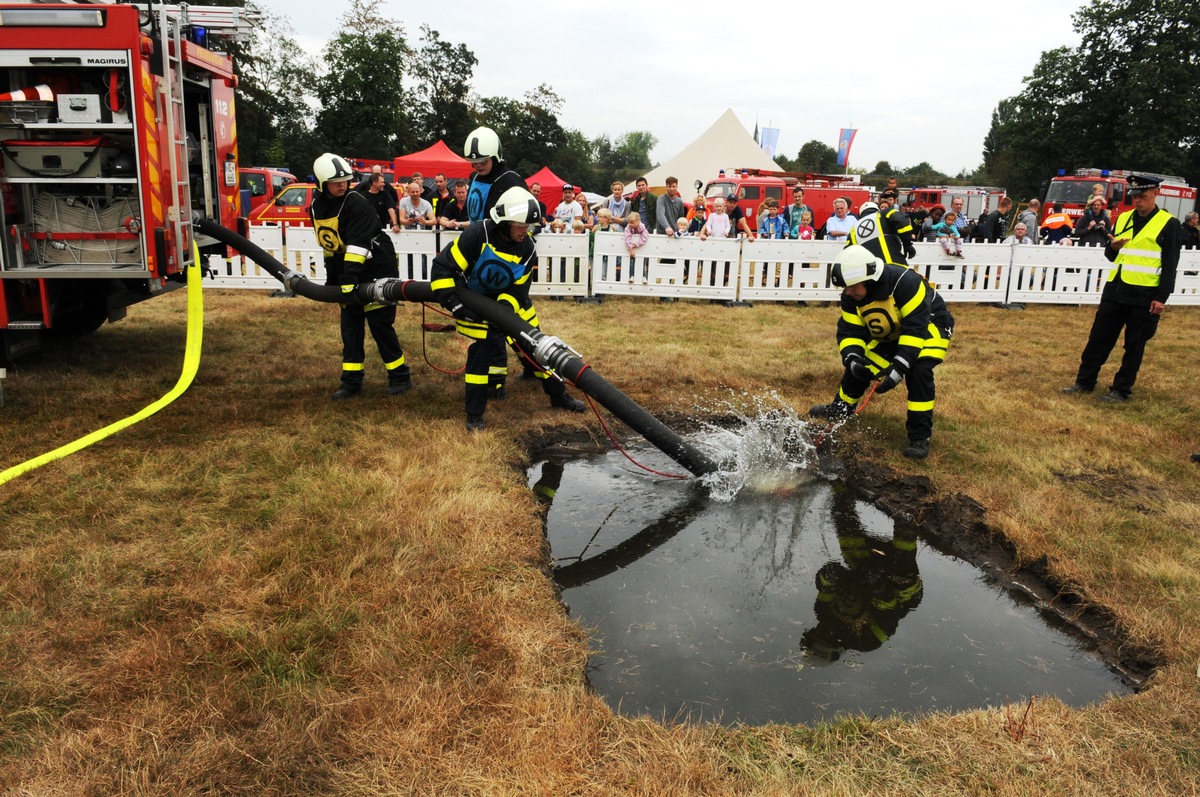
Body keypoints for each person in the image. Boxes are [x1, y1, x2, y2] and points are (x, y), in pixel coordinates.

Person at [429, 186, 585, 430]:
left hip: (513, 306)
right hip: (476, 305)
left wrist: (503, 311)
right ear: (504, 222)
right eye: (521, 226)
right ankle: (475, 416)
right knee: (479, 360)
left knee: (539, 351)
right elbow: (442, 268)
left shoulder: (528, 249)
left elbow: (519, 291)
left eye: (529, 227)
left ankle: (559, 396)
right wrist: (454, 303)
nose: (526, 232)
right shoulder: (477, 235)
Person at [809, 245, 954, 459]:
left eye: (851, 287)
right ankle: (840, 409)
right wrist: (852, 358)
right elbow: (850, 330)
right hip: (893, 328)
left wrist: (899, 367)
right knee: (862, 365)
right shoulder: (851, 295)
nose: (847, 292)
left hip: (930, 324)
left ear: (868, 278)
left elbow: (915, 329)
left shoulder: (906, 283)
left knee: (919, 370)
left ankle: (919, 436)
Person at [1063, 174, 1183, 402]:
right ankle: (1084, 382)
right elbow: (1111, 255)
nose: (1137, 201)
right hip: (1115, 291)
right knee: (1098, 339)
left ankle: (1120, 389)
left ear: (1156, 194)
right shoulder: (1124, 218)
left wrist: (1161, 298)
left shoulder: (1169, 224)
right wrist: (1113, 246)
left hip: (1143, 295)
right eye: (1134, 197)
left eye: (1142, 196)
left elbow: (1170, 264)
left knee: (1134, 345)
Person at [309, 153, 412, 401]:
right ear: (322, 184)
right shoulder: (317, 206)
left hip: (377, 265)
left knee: (379, 324)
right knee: (350, 327)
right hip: (350, 269)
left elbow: (357, 246)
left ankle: (400, 377)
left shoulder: (356, 203)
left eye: (345, 180)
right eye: (336, 182)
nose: (342, 185)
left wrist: (348, 282)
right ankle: (351, 382)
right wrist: (335, 281)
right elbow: (330, 244)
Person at [463, 126, 527, 223]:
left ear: (495, 158)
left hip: (502, 237)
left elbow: (528, 216)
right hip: (478, 235)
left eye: (483, 162)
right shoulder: (474, 178)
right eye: (474, 163)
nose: (478, 166)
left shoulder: (512, 181)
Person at [848, 201, 913, 266]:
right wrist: (907, 244)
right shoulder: (884, 213)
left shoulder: (853, 230)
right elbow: (902, 221)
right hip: (895, 266)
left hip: (872, 271)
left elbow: (848, 253)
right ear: (877, 209)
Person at [623, 210, 650, 281]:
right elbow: (627, 238)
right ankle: (632, 275)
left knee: (644, 261)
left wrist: (636, 244)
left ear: (638, 221)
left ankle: (644, 276)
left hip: (642, 249)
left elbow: (644, 237)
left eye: (632, 222)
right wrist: (631, 248)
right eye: (629, 222)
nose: (630, 224)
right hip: (632, 250)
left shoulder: (643, 228)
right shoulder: (627, 228)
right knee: (632, 261)